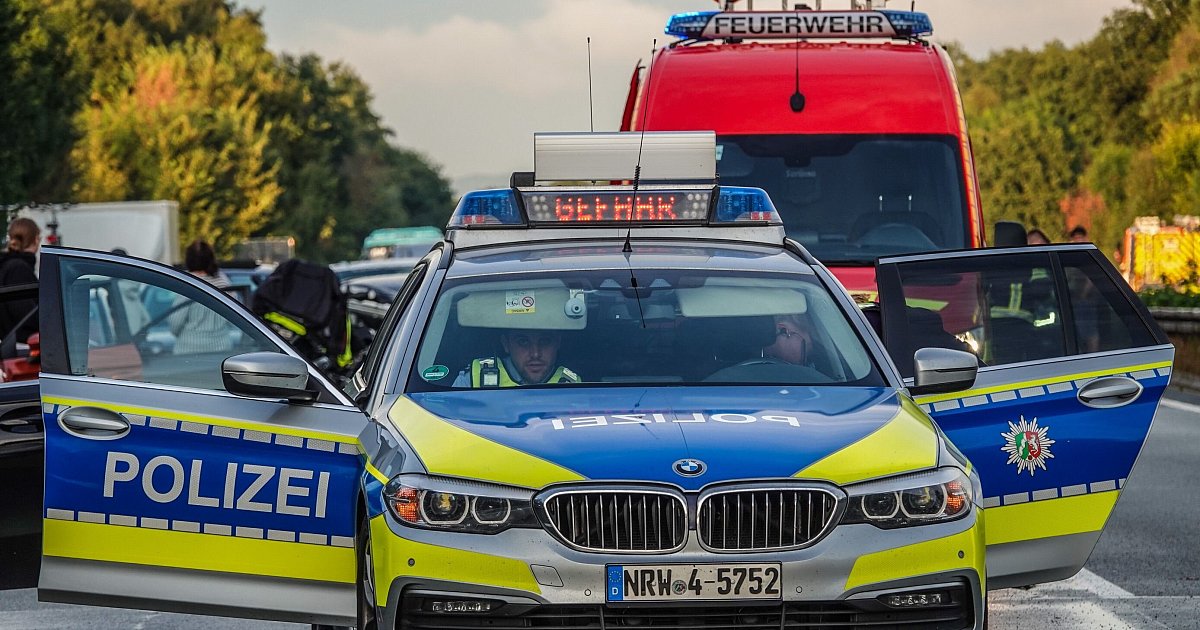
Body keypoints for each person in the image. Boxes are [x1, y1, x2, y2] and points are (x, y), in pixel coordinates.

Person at [168, 240, 234, 354]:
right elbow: (233, 319)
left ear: (189, 259)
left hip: (189, 350)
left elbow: (175, 321)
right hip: (222, 348)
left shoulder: (187, 284)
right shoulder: (224, 283)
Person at [453, 329, 580, 387]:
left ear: (558, 343)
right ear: (506, 344)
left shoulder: (572, 384)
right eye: (523, 342)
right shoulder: (474, 379)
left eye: (545, 341)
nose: (535, 353)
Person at [0, 218, 41, 343]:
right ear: (35, 239)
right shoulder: (18, 269)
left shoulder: (7, 265)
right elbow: (27, 317)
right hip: (23, 349)